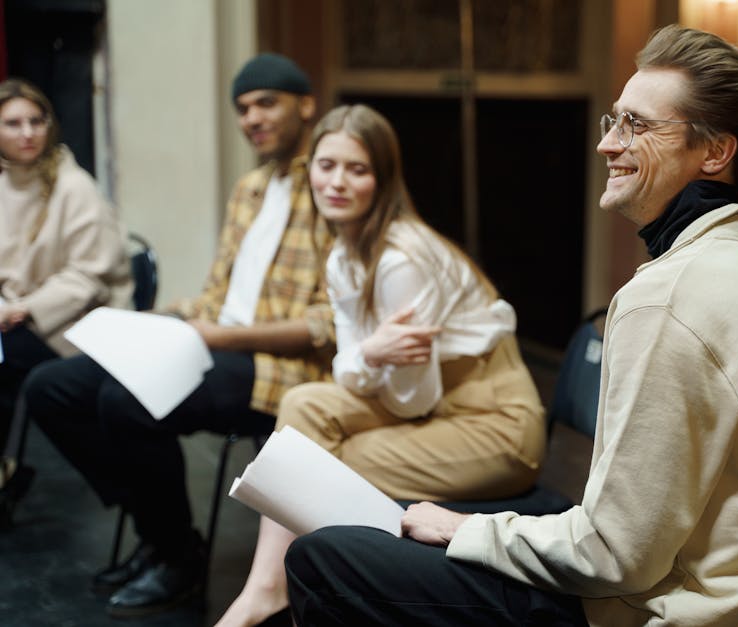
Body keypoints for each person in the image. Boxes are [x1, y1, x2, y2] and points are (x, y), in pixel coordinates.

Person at [282, 25, 738, 627]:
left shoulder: (674, 297)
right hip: (688, 590)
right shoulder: (726, 271)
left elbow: (614, 557)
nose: (608, 145)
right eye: (614, 121)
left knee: (325, 559)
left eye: (638, 126)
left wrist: (468, 528)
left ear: (715, 153)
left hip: (661, 611)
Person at [22, 53, 334, 618]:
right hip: (212, 341)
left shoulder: (332, 183)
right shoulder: (251, 188)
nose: (253, 118)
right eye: (242, 108)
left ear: (306, 106)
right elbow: (217, 294)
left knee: (129, 401)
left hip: (279, 366)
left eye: (267, 103)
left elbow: (326, 325)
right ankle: (159, 527)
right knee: (53, 386)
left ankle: (175, 555)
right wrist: (159, 320)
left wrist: (216, 335)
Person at [214, 104, 546, 627]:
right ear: (311, 170)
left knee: (324, 463)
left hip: (494, 428)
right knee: (302, 403)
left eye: (357, 169)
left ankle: (313, 598)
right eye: (326, 166)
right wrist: (369, 354)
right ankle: (271, 589)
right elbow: (350, 372)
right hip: (432, 409)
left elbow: (410, 398)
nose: (337, 182)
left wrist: (364, 359)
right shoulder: (344, 255)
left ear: (382, 180)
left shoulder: (400, 259)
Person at [0, 78, 132, 521]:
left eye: (36, 121)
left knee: (4, 359)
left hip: (74, 324)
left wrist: (22, 310)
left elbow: (88, 277)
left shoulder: (73, 186)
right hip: (17, 319)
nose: (27, 133)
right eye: (13, 123)